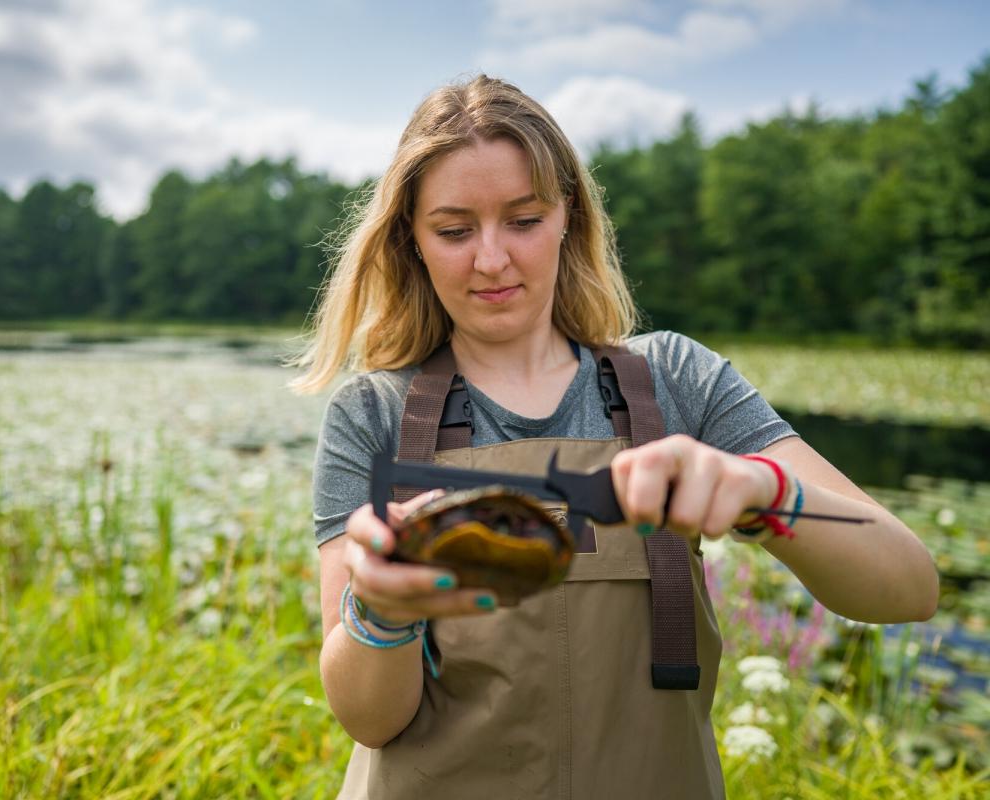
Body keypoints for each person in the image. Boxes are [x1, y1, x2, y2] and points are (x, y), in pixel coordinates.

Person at [292, 75, 938, 799]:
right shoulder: (372, 414)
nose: (492, 259)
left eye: (524, 219)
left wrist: (765, 493)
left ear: (568, 213)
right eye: (453, 230)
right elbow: (368, 719)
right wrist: (380, 616)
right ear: (410, 238)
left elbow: (908, 587)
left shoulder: (676, 379)